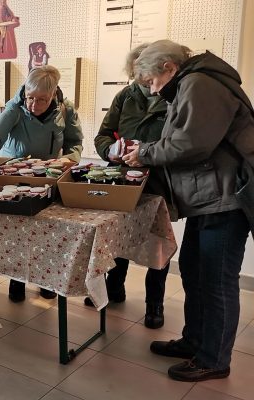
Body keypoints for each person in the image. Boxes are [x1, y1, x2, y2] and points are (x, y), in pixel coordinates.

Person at [123, 39, 252, 382]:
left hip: (223, 199)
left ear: (168, 67)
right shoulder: (194, 81)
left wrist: (146, 153)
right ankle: (195, 341)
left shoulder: (200, 83)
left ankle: (214, 358)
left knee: (216, 281)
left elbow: (192, 143)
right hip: (208, 198)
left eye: (152, 81)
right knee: (196, 273)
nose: (152, 90)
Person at [0, 65, 83, 302]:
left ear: (53, 94)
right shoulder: (15, 107)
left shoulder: (66, 109)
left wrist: (70, 159)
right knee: (19, 232)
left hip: (49, 177)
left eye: (42, 100)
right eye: (30, 98)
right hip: (17, 175)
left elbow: (75, 142)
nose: (34, 105)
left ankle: (47, 280)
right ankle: (17, 279)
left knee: (50, 232)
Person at [91, 44, 173, 329]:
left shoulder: (174, 95)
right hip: (124, 178)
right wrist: (111, 149)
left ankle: (155, 304)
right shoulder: (125, 96)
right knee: (118, 236)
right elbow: (101, 136)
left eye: (146, 77)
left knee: (158, 243)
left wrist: (147, 151)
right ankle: (115, 289)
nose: (145, 84)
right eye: (138, 78)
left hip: (161, 180)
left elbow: (178, 142)